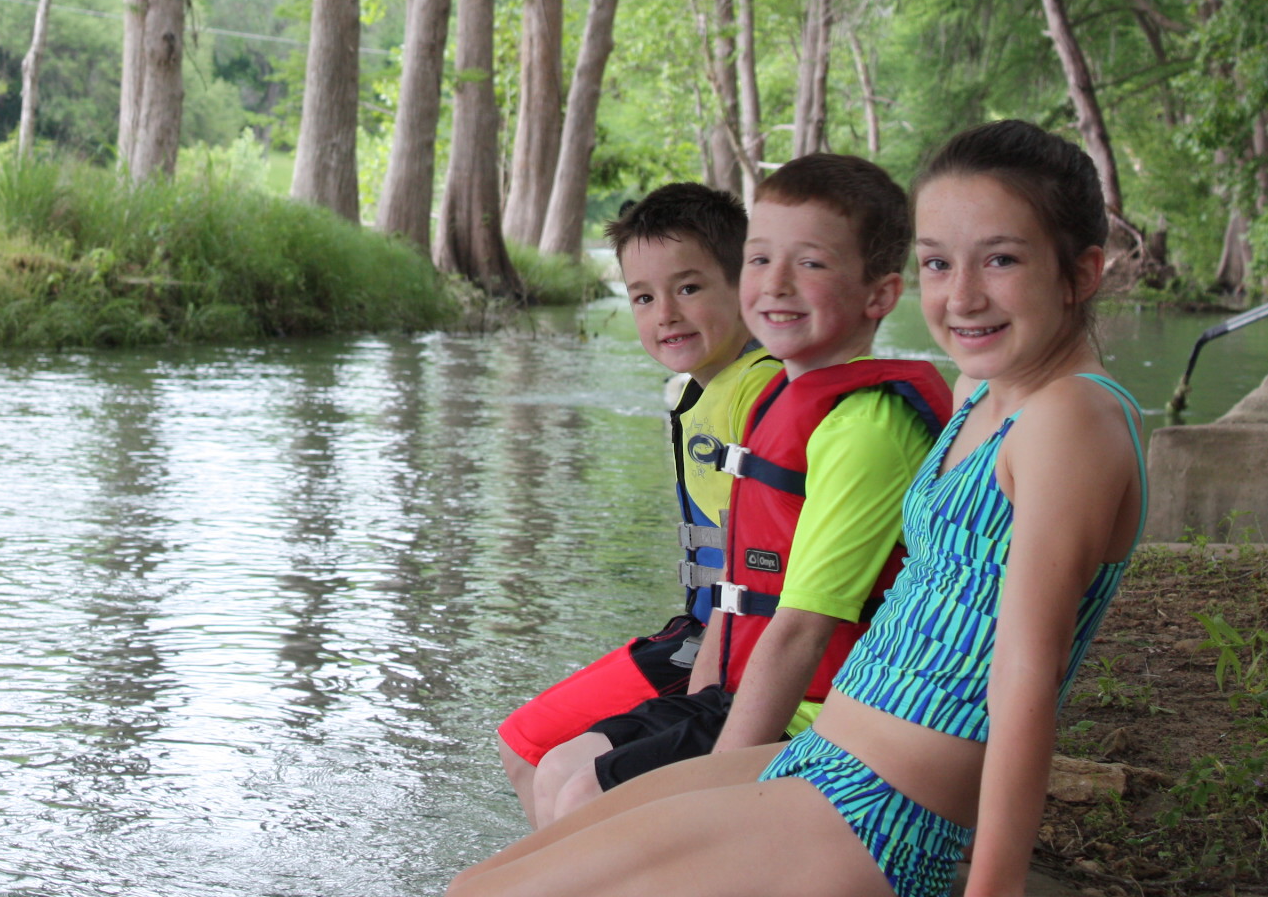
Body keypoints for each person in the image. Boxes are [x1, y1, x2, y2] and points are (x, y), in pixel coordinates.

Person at [450, 120, 1148, 897]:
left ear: (1082, 273)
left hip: (882, 813)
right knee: (487, 878)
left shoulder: (1070, 421)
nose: (963, 295)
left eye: (1002, 260)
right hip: (818, 759)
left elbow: (1024, 680)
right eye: (938, 264)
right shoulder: (982, 391)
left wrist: (993, 889)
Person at [526, 155, 952, 826]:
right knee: (558, 768)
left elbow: (803, 628)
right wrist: (698, 698)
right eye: (759, 260)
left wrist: (721, 776)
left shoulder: (865, 429)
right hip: (743, 684)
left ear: (879, 295)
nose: (776, 284)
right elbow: (739, 579)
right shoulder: (784, 395)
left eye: (809, 263)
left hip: (822, 717)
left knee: (587, 795)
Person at [497, 183, 784, 828]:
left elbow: (762, 562)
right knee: (525, 742)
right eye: (644, 297)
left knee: (543, 756)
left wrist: (713, 687)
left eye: (688, 288)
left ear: (744, 282)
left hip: (731, 646)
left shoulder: (759, 392)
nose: (666, 315)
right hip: (699, 630)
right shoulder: (700, 391)